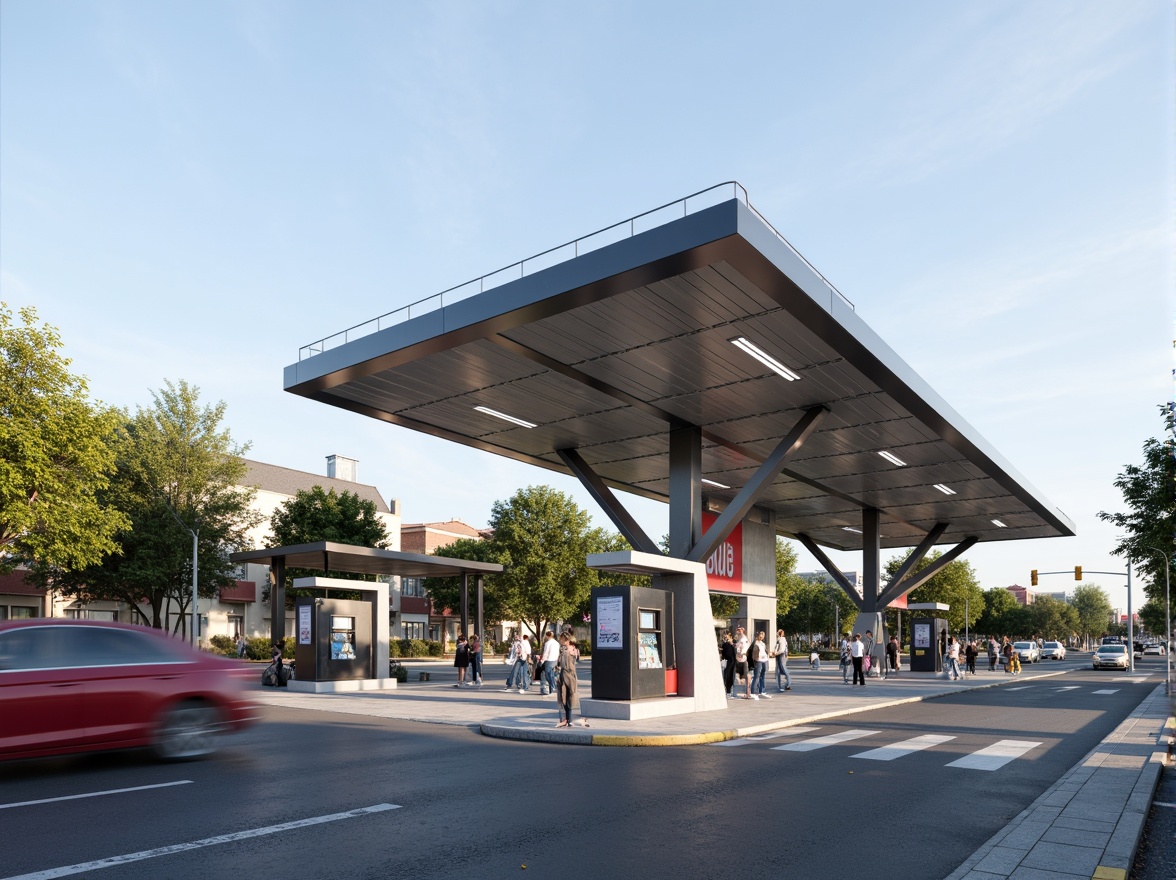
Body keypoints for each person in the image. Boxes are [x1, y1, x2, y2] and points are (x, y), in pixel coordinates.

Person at [555, 632, 585, 728]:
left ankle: (570, 719)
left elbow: (574, 660)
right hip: (562, 675)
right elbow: (558, 664)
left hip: (570, 675)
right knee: (562, 697)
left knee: (571, 697)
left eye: (562, 639)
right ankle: (564, 719)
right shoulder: (561, 650)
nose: (561, 641)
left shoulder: (573, 650)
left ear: (566, 640)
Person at [751, 631, 771, 699]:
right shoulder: (755, 643)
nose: (762, 636)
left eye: (763, 635)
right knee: (756, 676)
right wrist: (756, 659)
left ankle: (762, 691)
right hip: (758, 661)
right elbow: (753, 653)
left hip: (764, 660)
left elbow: (764, 651)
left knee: (763, 676)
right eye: (761, 635)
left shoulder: (763, 643)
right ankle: (753, 692)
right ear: (758, 635)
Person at [733, 626, 752, 699]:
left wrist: (741, 653)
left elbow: (743, 647)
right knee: (741, 675)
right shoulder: (739, 638)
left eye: (739, 630)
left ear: (742, 630)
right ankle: (745, 691)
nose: (737, 631)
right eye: (737, 630)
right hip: (739, 657)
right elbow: (737, 646)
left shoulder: (743, 638)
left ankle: (748, 692)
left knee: (746, 675)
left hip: (742, 658)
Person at [539, 630, 559, 696]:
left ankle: (553, 687)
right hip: (555, 660)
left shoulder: (547, 643)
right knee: (551, 674)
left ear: (547, 636)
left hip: (549, 660)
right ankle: (551, 689)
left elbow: (546, 653)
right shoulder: (556, 643)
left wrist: (542, 660)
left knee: (547, 675)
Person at [720, 632, 737, 698]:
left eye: (727, 636)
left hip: (733, 661)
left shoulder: (733, 644)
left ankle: (730, 691)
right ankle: (728, 691)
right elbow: (723, 653)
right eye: (725, 636)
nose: (726, 637)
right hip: (727, 661)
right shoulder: (724, 644)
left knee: (732, 677)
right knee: (727, 676)